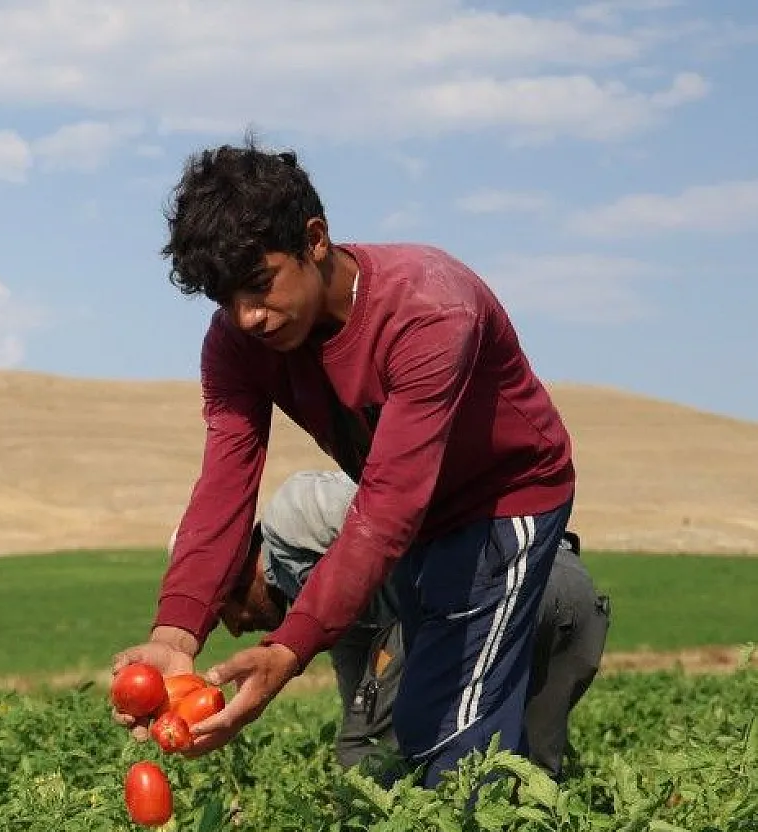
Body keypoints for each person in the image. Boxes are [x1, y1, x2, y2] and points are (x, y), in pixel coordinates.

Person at [112, 138, 578, 787]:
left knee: (456, 737)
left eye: (260, 285)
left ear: (315, 239)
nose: (248, 316)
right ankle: (529, 813)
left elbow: (388, 504)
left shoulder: (427, 309)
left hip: (503, 502)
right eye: (226, 300)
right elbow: (224, 483)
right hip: (419, 525)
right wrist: (175, 632)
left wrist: (288, 649)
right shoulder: (239, 343)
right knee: (424, 717)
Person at [213, 470, 611, 778]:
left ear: (236, 570)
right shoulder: (324, 604)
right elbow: (362, 699)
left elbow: (400, 507)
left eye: (222, 612)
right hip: (570, 595)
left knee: (372, 760)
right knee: (527, 780)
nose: (234, 629)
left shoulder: (292, 514)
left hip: (496, 580)